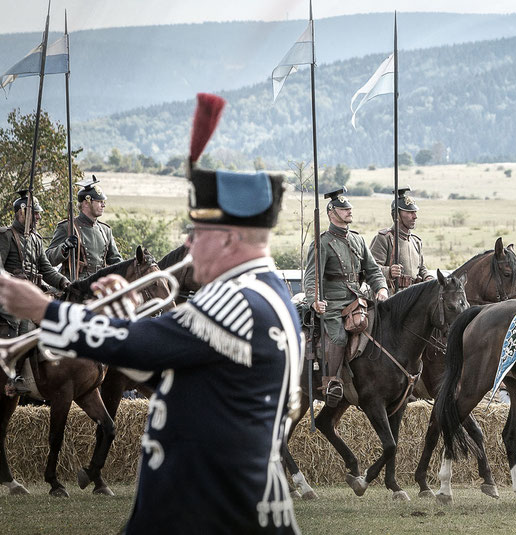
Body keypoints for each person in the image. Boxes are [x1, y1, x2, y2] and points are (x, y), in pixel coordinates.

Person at [0, 93, 301, 533]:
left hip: (214, 512)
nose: (189, 245)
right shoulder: (265, 293)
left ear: (232, 239)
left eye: (198, 233)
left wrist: (43, 308)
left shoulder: (237, 302)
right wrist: (124, 314)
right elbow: (166, 374)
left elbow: (139, 344)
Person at [303, 187, 388, 407]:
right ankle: (332, 382)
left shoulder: (358, 240)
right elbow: (312, 278)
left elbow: (373, 270)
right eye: (343, 208)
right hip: (332, 303)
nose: (349, 211)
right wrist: (315, 300)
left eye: (349, 207)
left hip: (358, 299)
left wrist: (381, 288)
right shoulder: (322, 243)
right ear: (332, 213)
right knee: (339, 336)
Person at [1, 190, 72, 393]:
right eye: (36, 213)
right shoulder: (6, 236)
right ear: (22, 213)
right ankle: (13, 379)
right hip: (8, 295)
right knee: (23, 325)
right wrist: (14, 279)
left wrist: (65, 283)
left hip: (32, 294)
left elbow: (47, 270)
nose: (39, 217)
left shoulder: (35, 239)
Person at [46, 176, 122, 280]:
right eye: (99, 201)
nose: (103, 205)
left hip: (99, 283)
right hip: (74, 284)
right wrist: (64, 247)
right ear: (86, 203)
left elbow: (116, 260)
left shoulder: (105, 230)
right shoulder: (67, 227)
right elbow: (48, 258)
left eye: (103, 202)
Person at [370, 187, 432, 295]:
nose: (415, 216)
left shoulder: (416, 241)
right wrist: (389, 271)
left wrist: (428, 276)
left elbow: (421, 268)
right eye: (410, 212)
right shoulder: (384, 238)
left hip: (414, 295)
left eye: (415, 212)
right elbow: (371, 269)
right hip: (392, 296)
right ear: (396, 215)